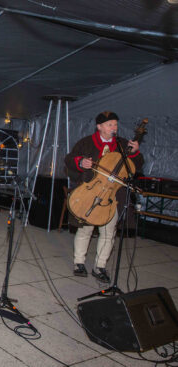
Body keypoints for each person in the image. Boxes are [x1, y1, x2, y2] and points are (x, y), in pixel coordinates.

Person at [65, 111, 144, 283]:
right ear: (99, 127)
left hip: (112, 196)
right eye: (109, 124)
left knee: (108, 233)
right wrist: (80, 162)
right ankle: (79, 262)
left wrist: (136, 153)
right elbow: (69, 159)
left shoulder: (123, 145)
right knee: (85, 229)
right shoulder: (86, 142)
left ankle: (99, 266)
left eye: (115, 124)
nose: (113, 128)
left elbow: (136, 166)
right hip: (90, 191)